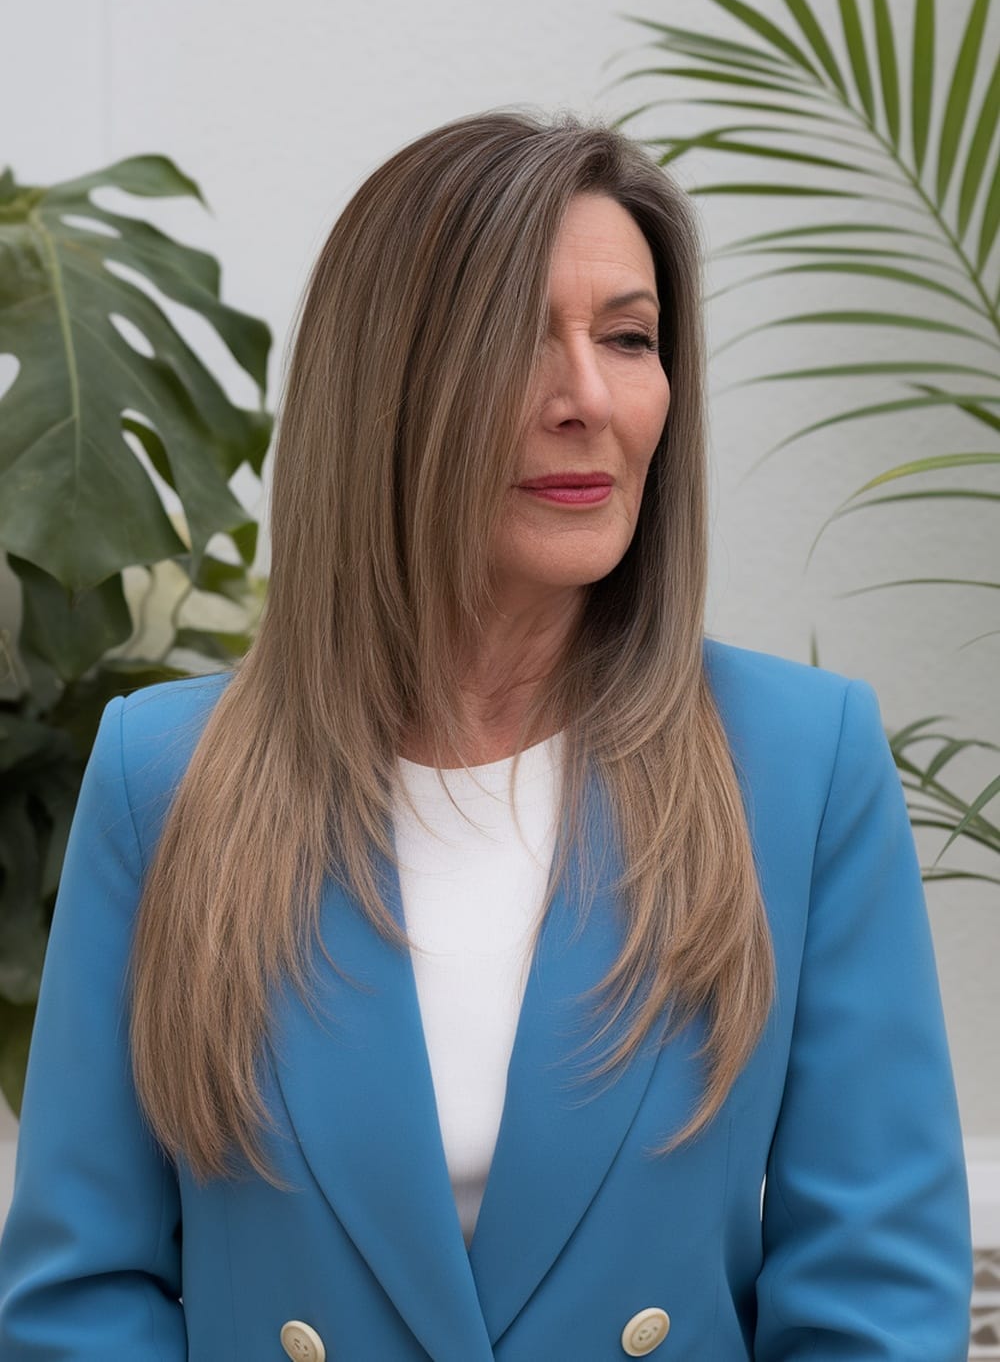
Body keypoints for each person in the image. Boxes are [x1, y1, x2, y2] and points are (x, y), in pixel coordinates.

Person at [0, 107, 973, 1361]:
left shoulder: (798, 761)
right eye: (521, 338)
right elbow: (86, 1301)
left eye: (628, 338)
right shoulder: (163, 777)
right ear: (387, 388)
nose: (588, 397)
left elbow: (874, 1297)